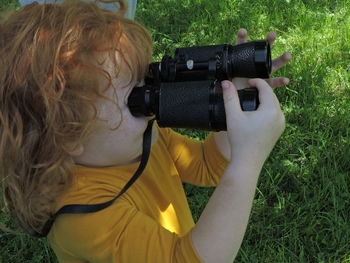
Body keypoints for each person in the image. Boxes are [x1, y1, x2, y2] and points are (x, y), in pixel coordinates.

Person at [0, 1, 291, 262]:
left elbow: (206, 165)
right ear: (69, 133)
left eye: (147, 83)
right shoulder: (84, 215)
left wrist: (233, 103)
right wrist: (247, 162)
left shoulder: (140, 135)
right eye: (135, 98)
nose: (152, 100)